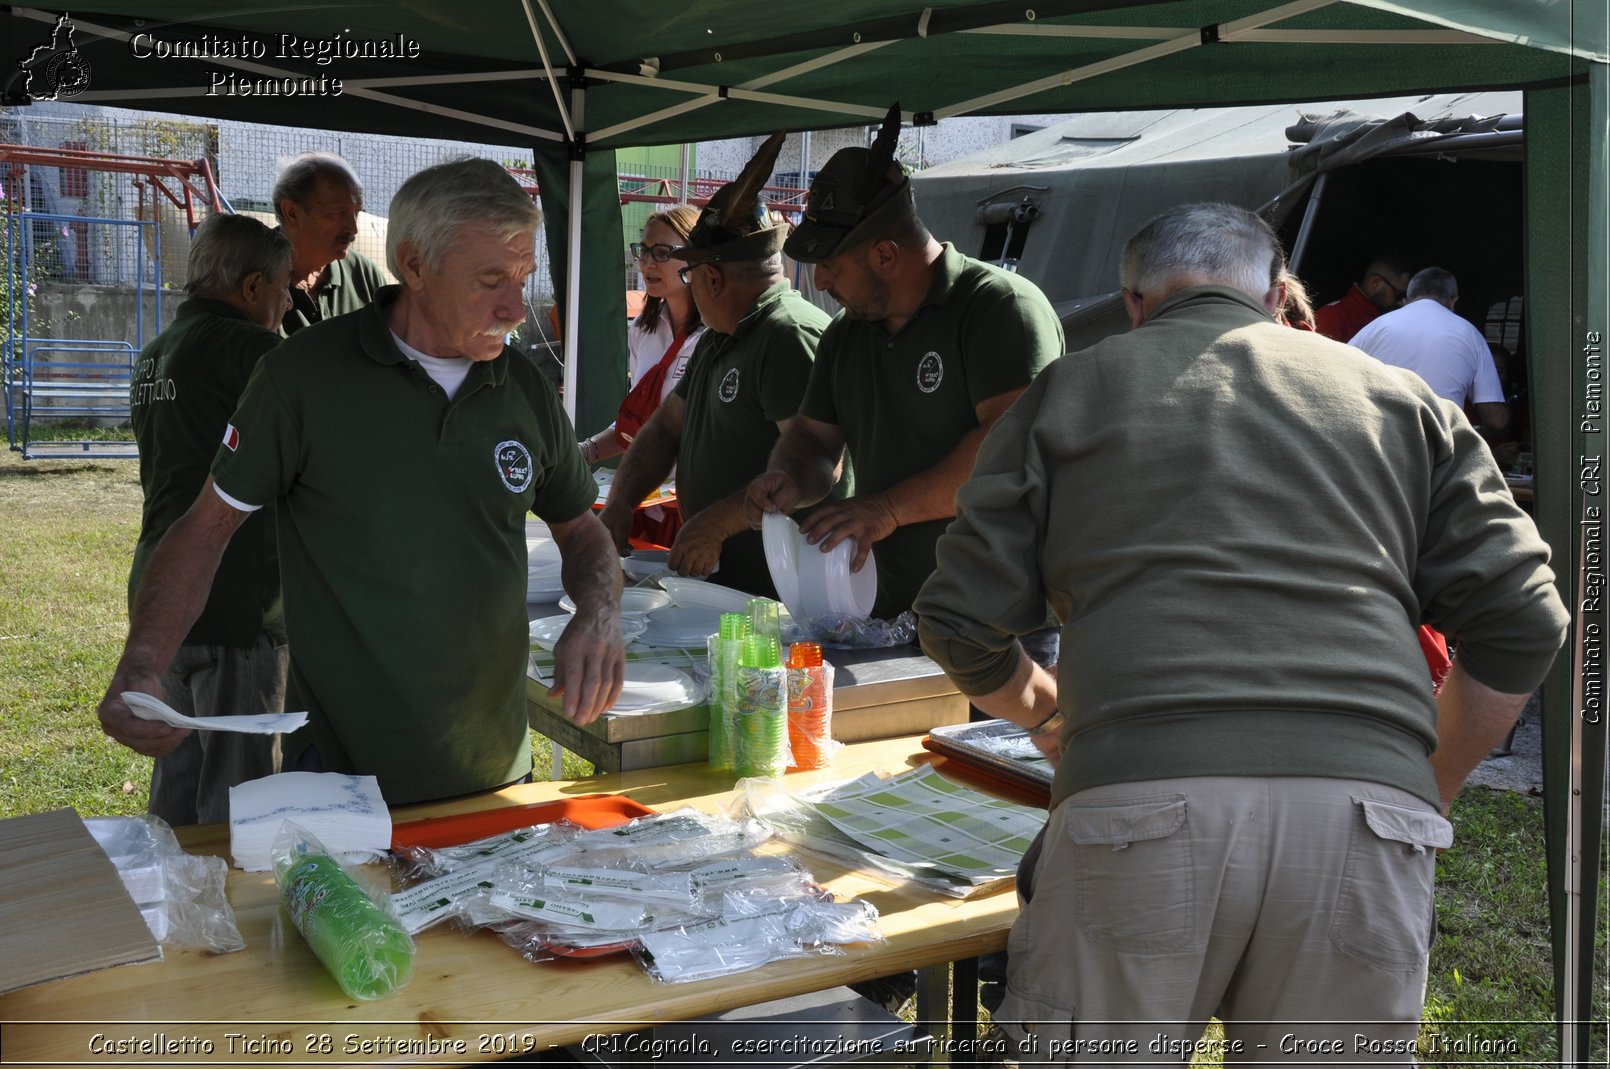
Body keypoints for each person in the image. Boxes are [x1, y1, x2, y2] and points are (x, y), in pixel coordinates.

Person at [914, 202, 1568, 1061]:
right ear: (1276, 294)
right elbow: (1526, 619)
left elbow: (959, 622)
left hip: (1135, 809)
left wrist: (1045, 716)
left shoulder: (1070, 389)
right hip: (1364, 820)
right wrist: (1420, 781)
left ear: (1136, 302)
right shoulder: (1403, 403)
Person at [98, 158, 626, 806]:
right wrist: (144, 662)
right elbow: (204, 529)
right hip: (342, 784)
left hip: (495, 775)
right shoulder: (301, 378)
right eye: (491, 280)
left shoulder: (522, 390)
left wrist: (598, 614)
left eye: (521, 278)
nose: (516, 308)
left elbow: (584, 534)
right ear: (414, 264)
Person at [747, 104, 1064, 621]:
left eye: (830, 265)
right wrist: (790, 473)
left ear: (886, 255)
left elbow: (1011, 448)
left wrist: (888, 508)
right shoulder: (846, 336)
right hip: (884, 609)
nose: (820, 283)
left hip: (997, 621)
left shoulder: (1001, 309)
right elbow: (812, 438)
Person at [600, 134, 831, 596]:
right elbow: (667, 427)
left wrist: (717, 524)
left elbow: (814, 464)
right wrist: (622, 501)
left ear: (711, 277)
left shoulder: (788, 335)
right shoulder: (723, 335)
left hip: (779, 597)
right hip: (728, 587)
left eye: (691, 275)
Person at [125, 214, 293, 825]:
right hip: (236, 596)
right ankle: (226, 920)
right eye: (284, 286)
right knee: (237, 804)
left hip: (164, 589)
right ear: (252, 288)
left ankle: (168, 915)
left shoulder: (155, 352)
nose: (290, 299)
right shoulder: (251, 348)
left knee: (177, 786)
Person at [579, 205, 706, 468]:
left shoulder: (717, 334)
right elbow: (638, 423)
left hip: (699, 497)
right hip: (651, 495)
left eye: (662, 253)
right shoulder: (642, 328)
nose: (647, 264)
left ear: (696, 259)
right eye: (644, 251)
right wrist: (584, 451)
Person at [1348, 265, 1510, 434]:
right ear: (1453, 301)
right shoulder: (1470, 335)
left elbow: (1340, 385)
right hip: (1438, 447)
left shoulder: (1373, 329)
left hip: (1382, 444)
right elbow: (1496, 420)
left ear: (1408, 299)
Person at [272, 152, 386, 335]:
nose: (353, 228)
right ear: (292, 212)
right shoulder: (253, 276)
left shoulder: (363, 274)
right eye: (338, 213)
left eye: (356, 213)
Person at [1311, 253, 1411, 341]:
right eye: (1399, 294)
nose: (1402, 301)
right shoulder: (1334, 315)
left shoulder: (1386, 321)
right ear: (1375, 283)